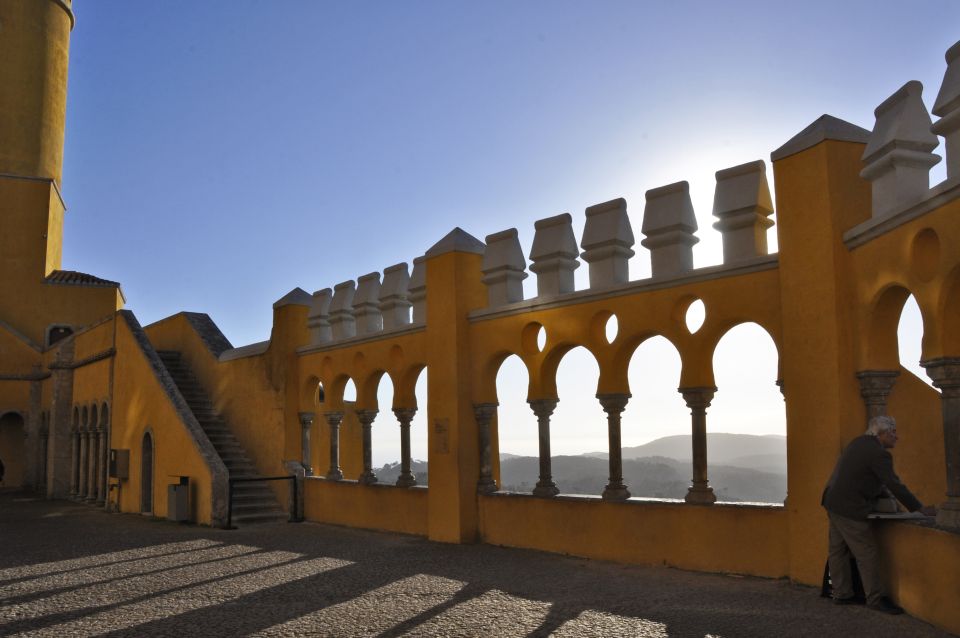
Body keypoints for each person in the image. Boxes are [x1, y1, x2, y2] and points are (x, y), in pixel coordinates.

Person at [822, 415, 936, 614]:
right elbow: (893, 483)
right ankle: (874, 599)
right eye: (893, 432)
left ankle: (841, 594)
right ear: (882, 434)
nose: (896, 437)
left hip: (833, 502)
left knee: (838, 551)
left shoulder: (858, 443)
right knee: (866, 554)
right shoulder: (879, 454)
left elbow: (873, 479)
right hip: (850, 508)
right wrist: (919, 508)